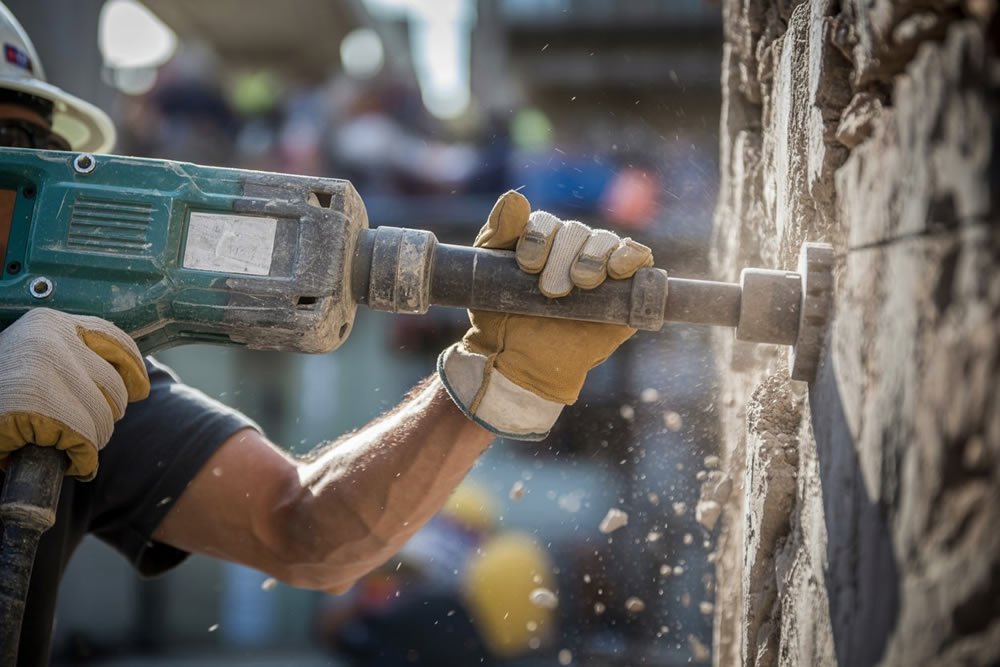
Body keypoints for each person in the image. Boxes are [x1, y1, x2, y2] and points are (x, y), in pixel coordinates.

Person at [0, 4, 654, 665]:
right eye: (9, 147)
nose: (33, 195)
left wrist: (495, 378)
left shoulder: (64, 366)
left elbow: (300, 526)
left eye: (40, 151)